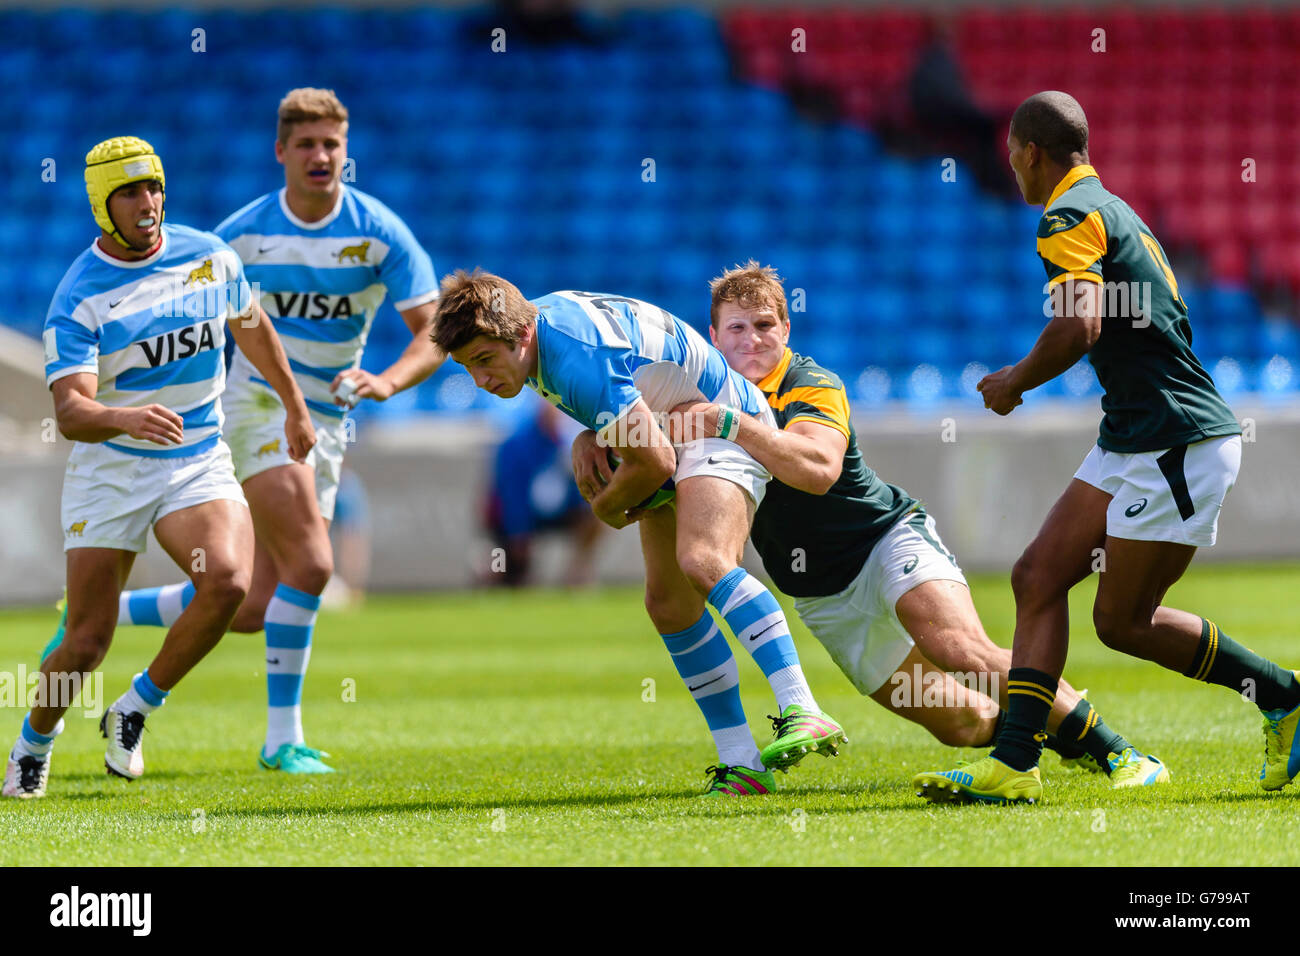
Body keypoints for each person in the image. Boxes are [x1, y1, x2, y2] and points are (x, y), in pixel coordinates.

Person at [571, 261, 1158, 789]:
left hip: (884, 540)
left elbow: (819, 470)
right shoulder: (685, 397)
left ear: (787, 330)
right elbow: (641, 451)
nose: (752, 339)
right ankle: (1052, 733)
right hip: (821, 595)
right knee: (961, 721)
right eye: (737, 329)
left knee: (961, 650)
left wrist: (732, 425)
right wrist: (592, 437)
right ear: (712, 337)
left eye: (765, 325)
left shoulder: (810, 384)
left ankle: (1121, 753)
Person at [914, 91, 1300, 804]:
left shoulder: (1067, 214)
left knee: (1123, 622)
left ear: (1030, 152)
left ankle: (1285, 696)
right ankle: (1015, 761)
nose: (1013, 172)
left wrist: (1015, 383)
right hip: (1136, 434)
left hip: (1174, 440)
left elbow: (1080, 326)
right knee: (1037, 576)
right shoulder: (1113, 208)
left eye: (1012, 157)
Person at [70, 89, 444, 773]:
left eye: (331, 143)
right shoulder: (240, 235)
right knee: (315, 565)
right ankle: (282, 741)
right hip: (255, 404)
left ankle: (105, 634)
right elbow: (171, 299)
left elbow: (435, 333)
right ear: (281, 153)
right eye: (305, 144)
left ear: (346, 151)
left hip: (328, 417)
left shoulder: (380, 233)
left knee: (254, 602)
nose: (320, 156)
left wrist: (386, 381)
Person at [431, 272, 846, 796]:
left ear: (520, 338)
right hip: (673, 423)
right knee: (668, 605)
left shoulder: (575, 355)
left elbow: (652, 461)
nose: (479, 380)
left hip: (720, 422)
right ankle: (741, 761)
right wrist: (591, 435)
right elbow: (631, 396)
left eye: (484, 361)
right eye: (467, 367)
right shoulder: (530, 326)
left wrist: (603, 508)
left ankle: (802, 707)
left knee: (703, 559)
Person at [4, 136, 315, 798]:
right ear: (101, 204)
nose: (148, 204)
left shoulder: (209, 257)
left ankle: (135, 708)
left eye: (154, 189)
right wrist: (124, 416)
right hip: (112, 469)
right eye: (130, 193)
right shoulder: (80, 297)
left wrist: (294, 405)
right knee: (87, 641)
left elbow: (254, 327)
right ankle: (33, 742)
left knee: (229, 583)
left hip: (197, 458)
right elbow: (69, 412)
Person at [484, 395, 603, 588]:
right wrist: (518, 530)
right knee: (508, 573)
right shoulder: (515, 445)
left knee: (597, 514)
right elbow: (511, 494)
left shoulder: (566, 443)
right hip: (512, 519)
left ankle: (577, 573)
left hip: (555, 512)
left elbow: (576, 486)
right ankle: (493, 574)